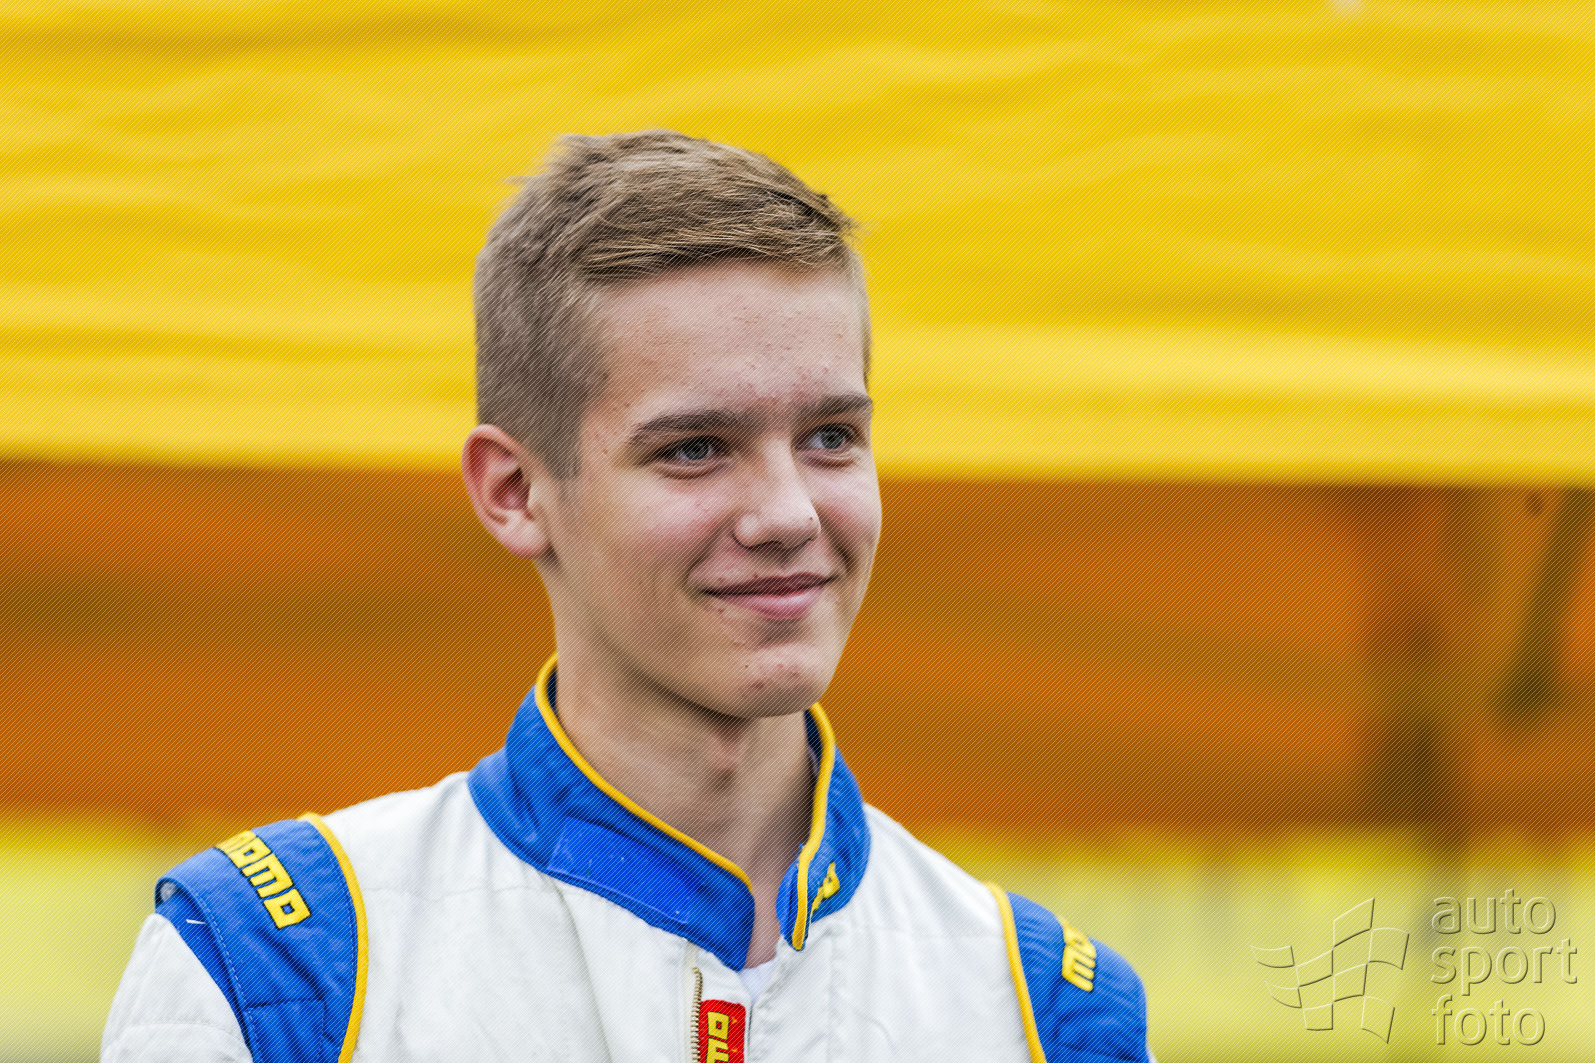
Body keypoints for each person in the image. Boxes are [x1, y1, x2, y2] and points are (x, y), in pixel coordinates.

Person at [102, 130, 1153, 1063]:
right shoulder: (280, 961)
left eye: (831, 436)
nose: (788, 512)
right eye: (695, 448)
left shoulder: (1042, 1007)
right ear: (515, 492)